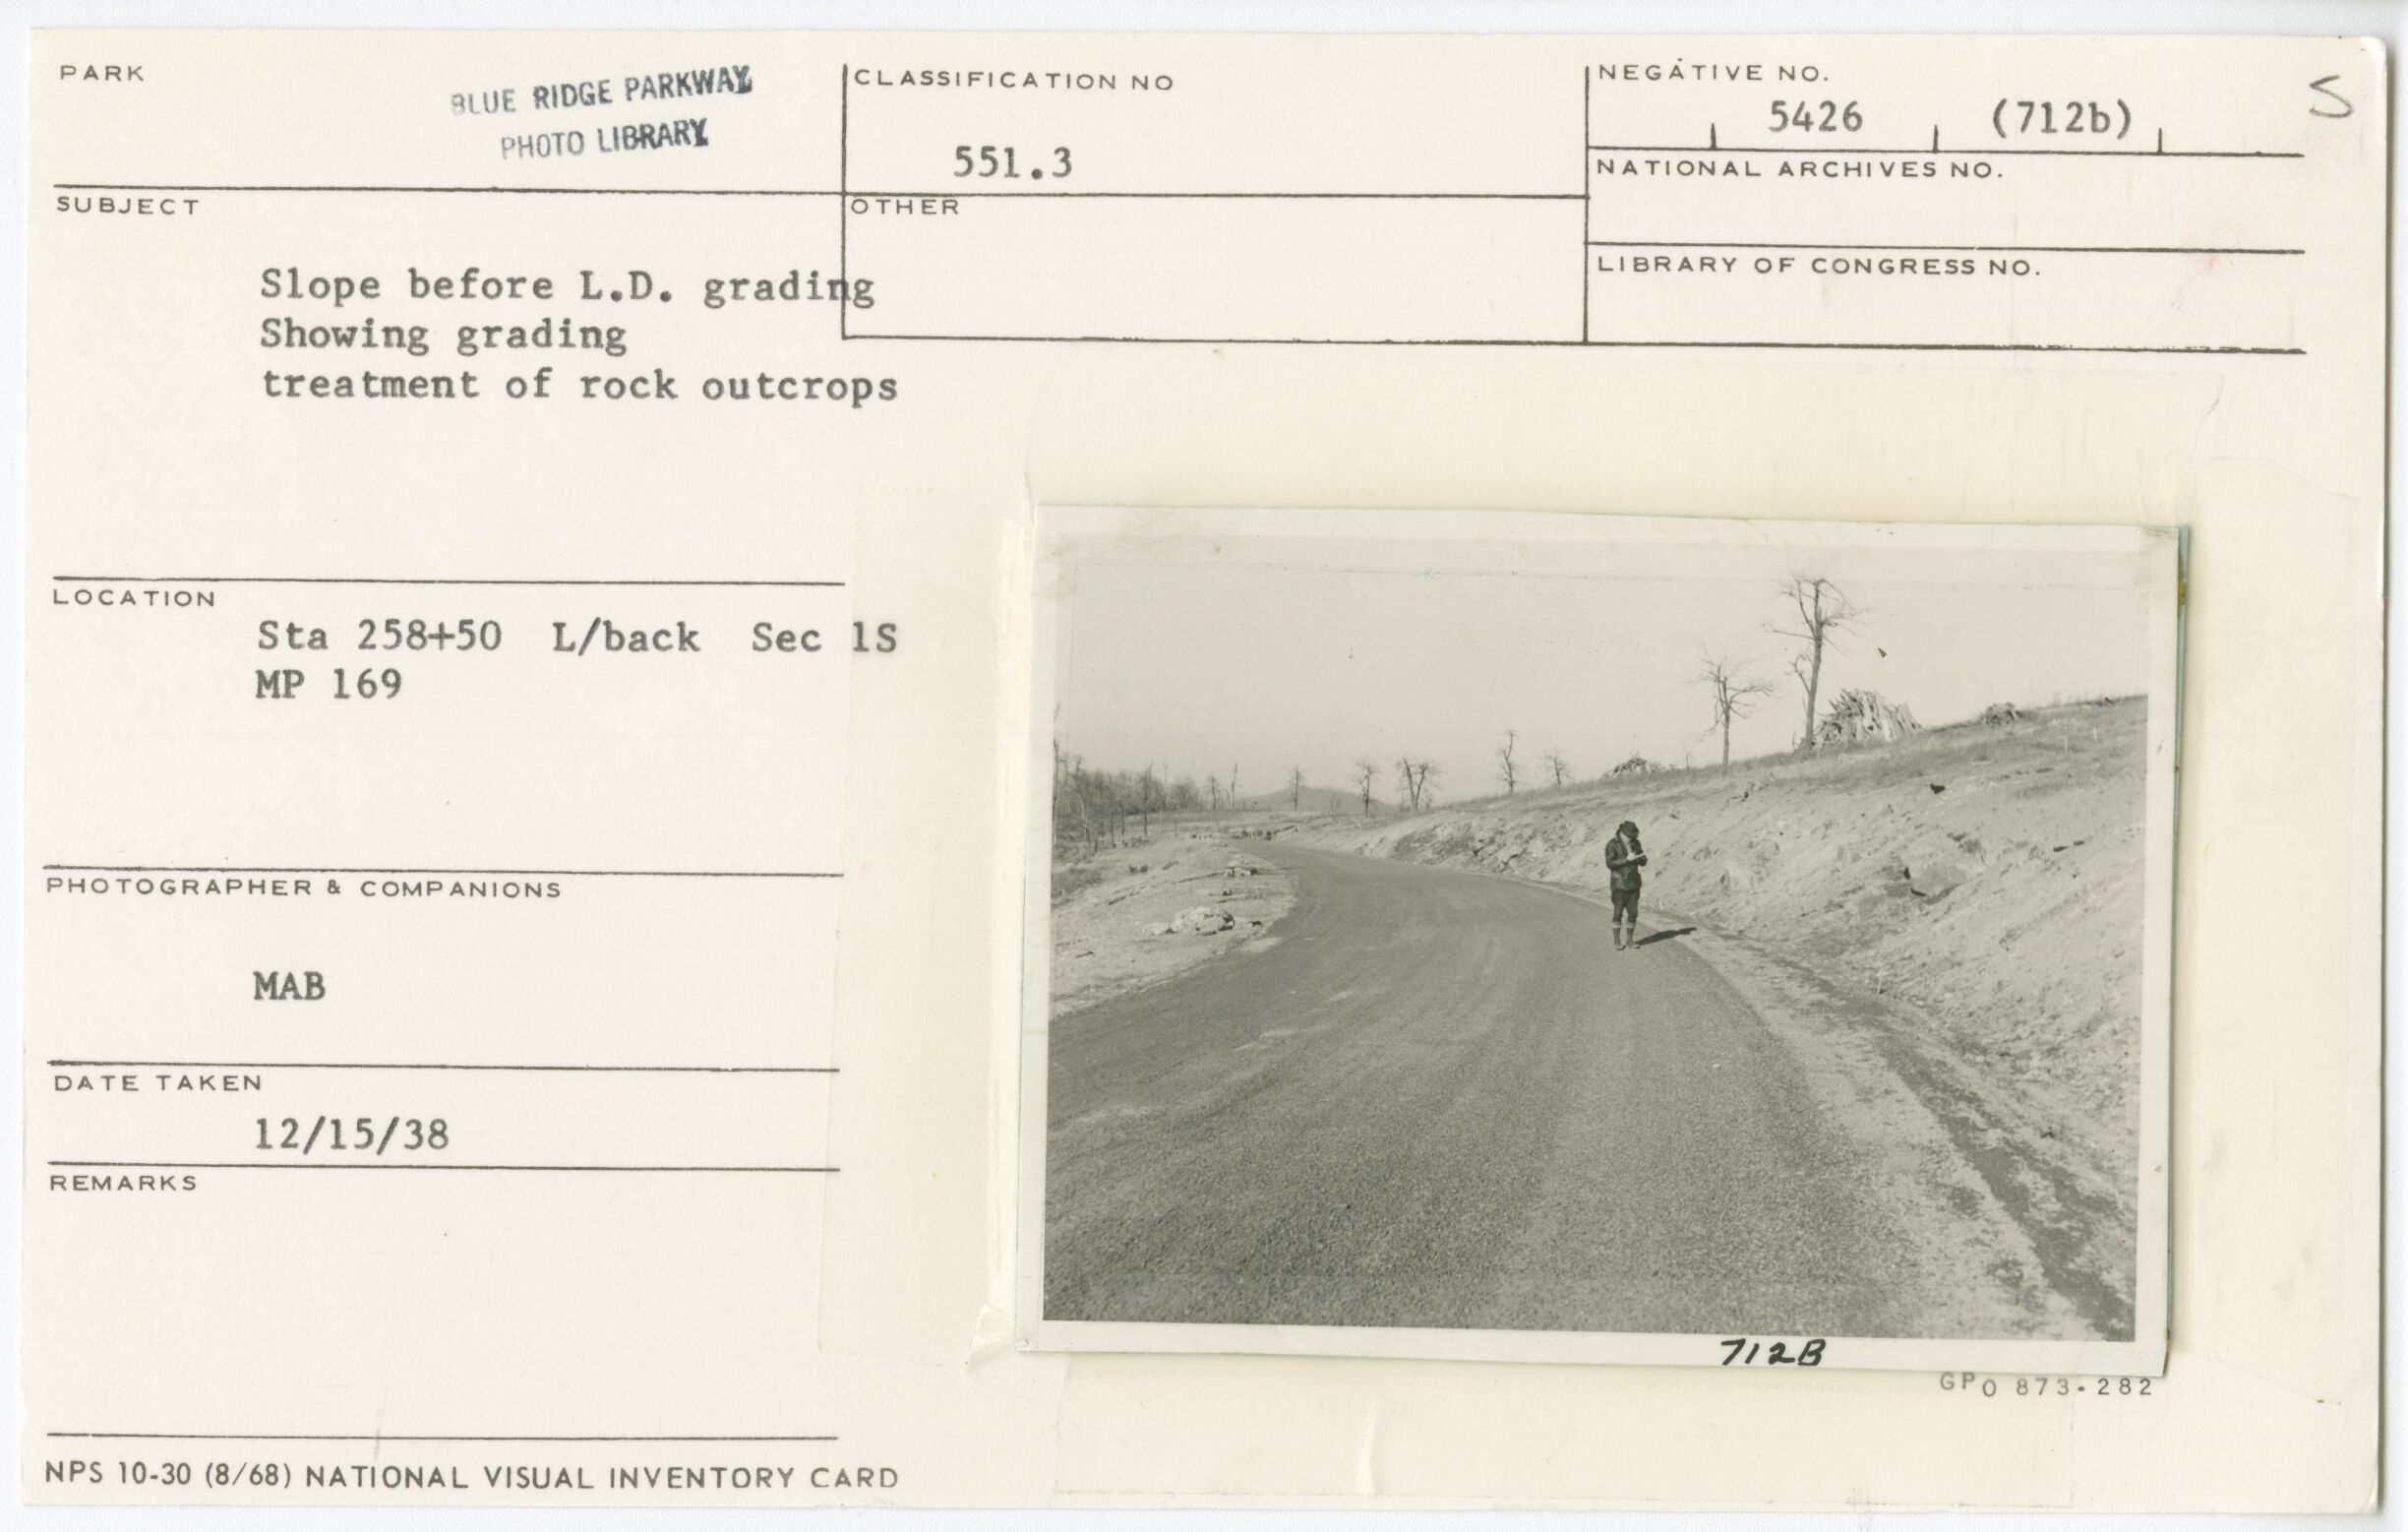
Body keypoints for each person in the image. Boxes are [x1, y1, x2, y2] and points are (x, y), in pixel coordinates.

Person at [1604, 820, 1647, 950]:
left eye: (1633, 835)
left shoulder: (1635, 842)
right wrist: (1626, 860)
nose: (1632, 838)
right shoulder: (1612, 844)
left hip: (1634, 883)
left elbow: (1644, 862)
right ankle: (1617, 939)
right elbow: (1610, 864)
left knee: (1633, 913)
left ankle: (1630, 939)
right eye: (1630, 835)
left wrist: (1641, 858)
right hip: (1619, 884)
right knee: (1618, 913)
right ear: (1622, 833)